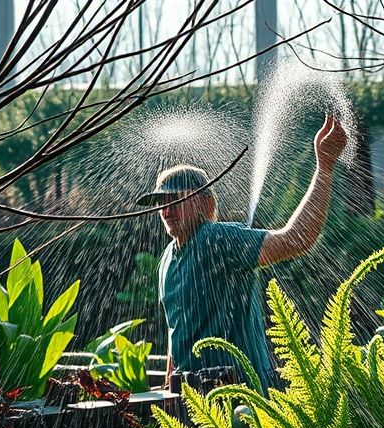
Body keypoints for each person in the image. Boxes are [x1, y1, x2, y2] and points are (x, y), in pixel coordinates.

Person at [136, 114, 348, 392]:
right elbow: (175, 332)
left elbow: (297, 239)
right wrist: (169, 385)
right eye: (161, 202)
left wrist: (325, 168)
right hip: (192, 401)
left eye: (177, 199)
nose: (166, 210)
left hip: (240, 395)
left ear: (203, 202)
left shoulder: (216, 240)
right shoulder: (167, 260)